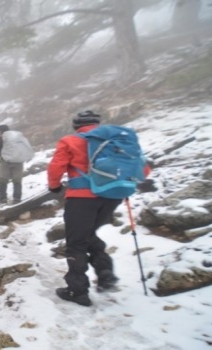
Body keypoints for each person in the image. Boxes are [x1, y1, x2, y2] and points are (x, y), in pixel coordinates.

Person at [47, 110, 150, 307]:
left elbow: (56, 166)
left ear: (76, 125)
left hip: (81, 198)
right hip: (112, 196)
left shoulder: (70, 141)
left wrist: (54, 185)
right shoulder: (117, 141)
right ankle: (105, 273)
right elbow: (144, 170)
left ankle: (77, 291)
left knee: (76, 242)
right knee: (88, 235)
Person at [0, 125, 33, 204]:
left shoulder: (1, 138)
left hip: (5, 162)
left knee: (2, 180)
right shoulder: (18, 137)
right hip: (18, 161)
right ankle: (17, 198)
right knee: (17, 181)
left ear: (0, 131)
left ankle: (2, 199)